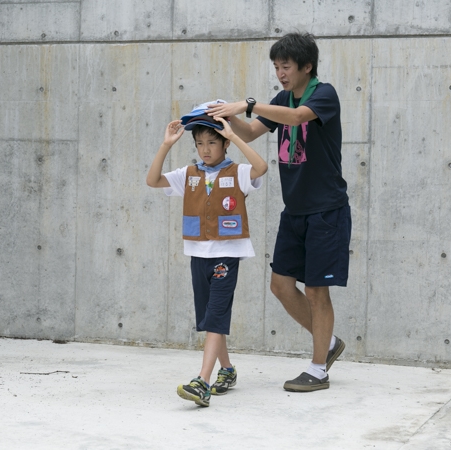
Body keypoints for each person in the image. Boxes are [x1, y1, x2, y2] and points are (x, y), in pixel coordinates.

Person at [206, 32, 351, 392]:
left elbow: (298, 117)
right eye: (276, 66)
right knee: (281, 285)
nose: (280, 73)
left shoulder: (323, 94)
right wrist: (225, 116)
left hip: (326, 211)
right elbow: (253, 131)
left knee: (317, 291)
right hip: (295, 211)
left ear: (306, 66)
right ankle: (329, 343)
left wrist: (248, 104)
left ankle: (319, 369)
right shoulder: (280, 98)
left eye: (286, 66)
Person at [146, 107, 268, 407]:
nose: (205, 149)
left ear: (223, 143)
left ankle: (202, 381)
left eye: (212, 142)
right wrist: (166, 144)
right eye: (200, 143)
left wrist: (235, 137)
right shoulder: (188, 174)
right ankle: (227, 370)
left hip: (228, 254)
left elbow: (261, 167)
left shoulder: (237, 172)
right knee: (210, 318)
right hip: (197, 254)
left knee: (215, 316)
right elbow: (152, 181)